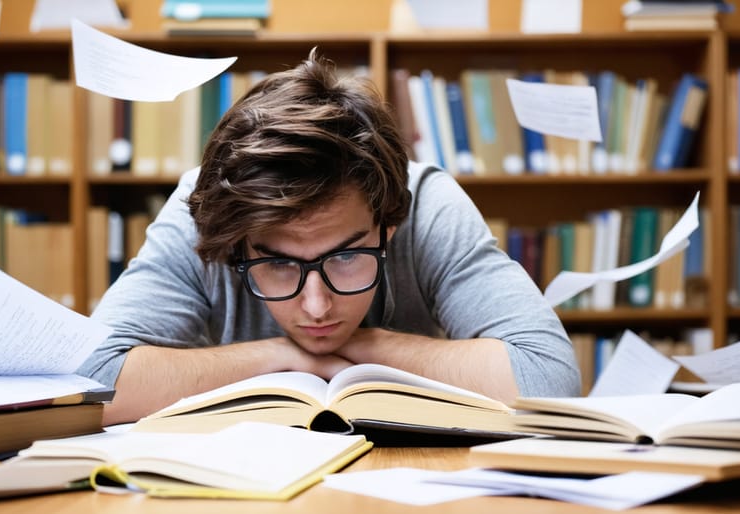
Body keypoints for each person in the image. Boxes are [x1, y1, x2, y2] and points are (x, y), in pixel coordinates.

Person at [79, 49, 580, 426]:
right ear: (237, 244)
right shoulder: (206, 212)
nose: (316, 307)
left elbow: (549, 377)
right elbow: (91, 380)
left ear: (389, 223)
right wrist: (285, 357)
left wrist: (366, 346)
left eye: (345, 257)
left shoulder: (426, 203)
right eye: (277, 264)